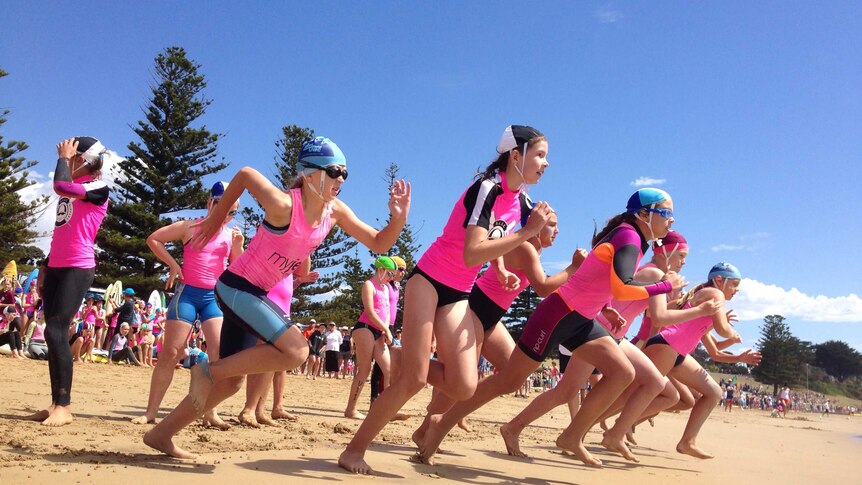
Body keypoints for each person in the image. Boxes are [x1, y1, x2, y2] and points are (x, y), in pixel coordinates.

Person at [143, 136, 410, 459]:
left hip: (254, 293)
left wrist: (398, 220)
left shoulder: (334, 211)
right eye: (335, 171)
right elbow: (243, 174)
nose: (341, 179)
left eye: (345, 174)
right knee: (297, 350)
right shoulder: (284, 205)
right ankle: (207, 370)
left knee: (231, 384)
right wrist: (214, 220)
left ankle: (161, 434)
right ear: (310, 174)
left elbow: (380, 243)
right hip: (236, 287)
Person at [414, 188, 686, 468]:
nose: (671, 221)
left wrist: (604, 306)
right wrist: (666, 285)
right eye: (667, 213)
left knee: (623, 372)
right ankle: (440, 423)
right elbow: (622, 286)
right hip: (559, 314)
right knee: (509, 381)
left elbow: (596, 278)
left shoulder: (632, 237)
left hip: (582, 318)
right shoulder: (629, 236)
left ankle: (572, 437)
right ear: (644, 214)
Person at [341, 125, 552, 474]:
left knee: (464, 385)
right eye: (540, 155)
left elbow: (497, 236)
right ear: (517, 155)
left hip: (459, 292)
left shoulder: (522, 201)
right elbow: (472, 253)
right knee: (413, 379)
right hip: (429, 280)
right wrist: (527, 233)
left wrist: (500, 266)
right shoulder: (487, 188)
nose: (545, 164)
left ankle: (402, 356)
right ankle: (353, 450)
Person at [413, 208, 586, 448]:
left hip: (492, 316)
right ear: (534, 224)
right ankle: (424, 430)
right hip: (475, 309)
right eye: (552, 224)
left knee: (511, 374)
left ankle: (446, 414)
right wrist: (574, 268)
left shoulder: (532, 249)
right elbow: (543, 288)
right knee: (460, 376)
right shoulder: (525, 247)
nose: (557, 231)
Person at [131, 181, 243, 428]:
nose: (226, 215)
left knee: (218, 356)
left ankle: (210, 412)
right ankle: (151, 412)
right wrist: (173, 265)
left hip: (213, 298)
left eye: (232, 212)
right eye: (222, 207)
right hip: (188, 294)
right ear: (210, 203)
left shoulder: (230, 236)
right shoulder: (190, 227)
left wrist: (238, 248)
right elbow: (154, 239)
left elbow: (237, 268)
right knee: (170, 353)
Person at [22, 137, 111, 427]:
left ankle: (65, 406)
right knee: (51, 333)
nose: (67, 162)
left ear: (83, 160)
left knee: (58, 329)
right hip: (57, 266)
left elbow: (60, 185)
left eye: (72, 158)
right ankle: (55, 403)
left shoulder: (96, 187)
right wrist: (45, 266)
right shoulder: (72, 192)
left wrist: (62, 158)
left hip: (78, 267)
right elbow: (61, 231)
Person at [640, 262, 761, 459]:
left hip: (676, 351)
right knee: (636, 392)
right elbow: (722, 330)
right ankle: (610, 429)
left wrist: (739, 356)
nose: (737, 290)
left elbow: (714, 350)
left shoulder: (706, 305)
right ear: (720, 280)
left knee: (712, 392)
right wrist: (732, 333)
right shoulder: (715, 295)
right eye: (734, 284)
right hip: (667, 345)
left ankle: (687, 441)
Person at [345, 256, 396, 419]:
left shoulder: (386, 288)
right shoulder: (369, 285)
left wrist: (385, 329)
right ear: (380, 270)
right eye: (390, 273)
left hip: (379, 330)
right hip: (365, 328)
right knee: (365, 369)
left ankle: (385, 409)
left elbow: (387, 311)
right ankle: (351, 409)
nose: (391, 278)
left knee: (389, 369)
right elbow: (370, 312)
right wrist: (385, 330)